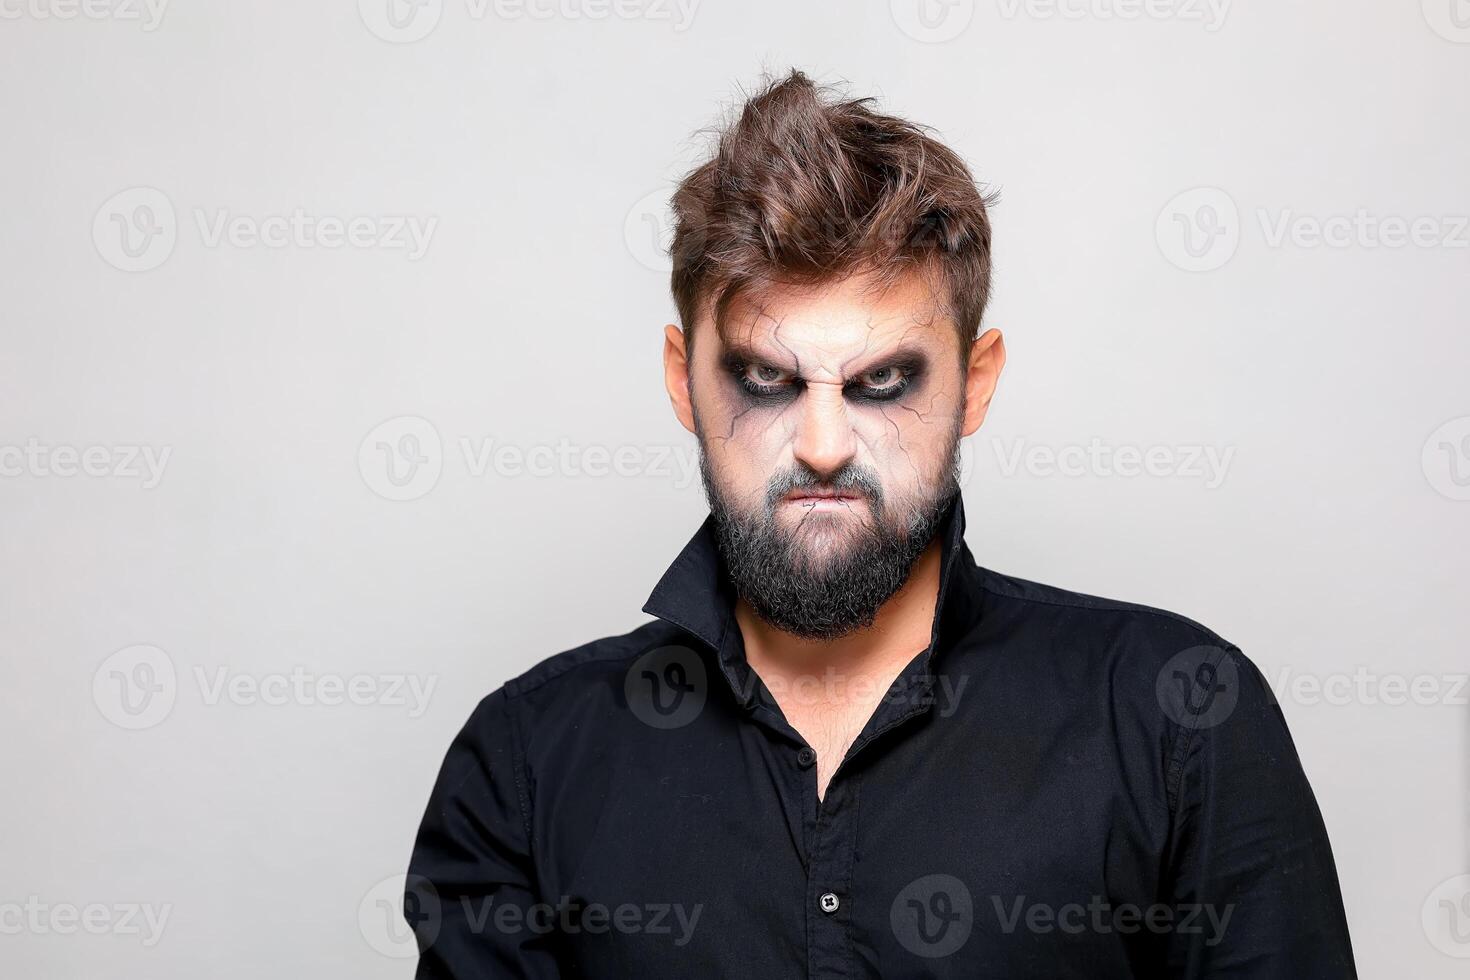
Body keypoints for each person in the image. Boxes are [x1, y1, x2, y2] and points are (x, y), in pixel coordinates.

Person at [404, 69, 1357, 978]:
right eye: (766, 382)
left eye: (883, 383)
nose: (823, 444)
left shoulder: (1175, 718)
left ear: (973, 384)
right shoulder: (527, 763)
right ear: (680, 380)